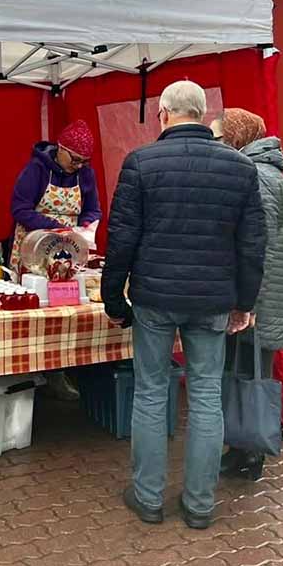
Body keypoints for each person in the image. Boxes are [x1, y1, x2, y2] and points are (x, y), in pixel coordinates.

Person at [102, 80, 267, 530]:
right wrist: (245, 302)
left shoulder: (140, 163)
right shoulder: (240, 168)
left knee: (152, 394)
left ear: (164, 114)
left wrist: (113, 298)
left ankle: (148, 497)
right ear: (202, 112)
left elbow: (121, 241)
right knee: (206, 398)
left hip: (154, 298)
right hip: (212, 299)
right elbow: (253, 244)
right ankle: (199, 505)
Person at [219, 108, 283, 481]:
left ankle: (251, 454)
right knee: (247, 371)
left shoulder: (259, 176)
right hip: (264, 293)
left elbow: (255, 243)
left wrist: (243, 299)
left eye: (225, 136)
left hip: (259, 297)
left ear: (239, 138)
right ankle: (242, 449)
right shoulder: (266, 171)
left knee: (251, 374)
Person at [9, 118, 102, 270]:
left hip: (68, 247)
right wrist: (56, 228)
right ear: (61, 148)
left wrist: (86, 226)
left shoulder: (86, 174)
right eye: (75, 160)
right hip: (33, 245)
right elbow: (20, 209)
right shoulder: (36, 169)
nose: (78, 166)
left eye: (84, 162)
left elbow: (93, 210)